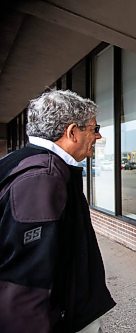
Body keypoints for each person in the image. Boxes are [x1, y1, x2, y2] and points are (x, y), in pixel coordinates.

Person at [0, 90, 115, 333]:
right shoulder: (43, 177)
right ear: (73, 132)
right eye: (94, 128)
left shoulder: (22, 161)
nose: (99, 136)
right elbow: (27, 278)